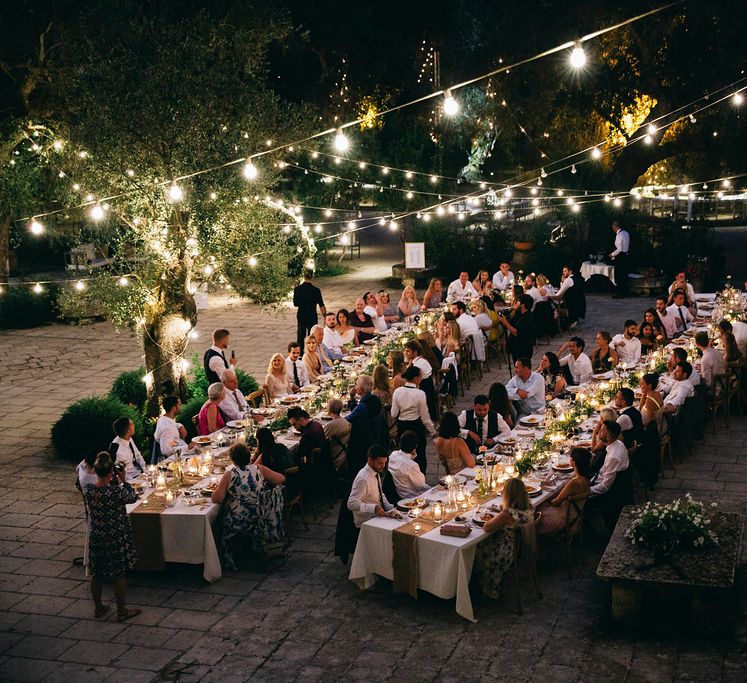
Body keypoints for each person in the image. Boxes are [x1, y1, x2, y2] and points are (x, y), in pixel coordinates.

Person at [82, 452, 140, 622]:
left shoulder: (89, 490)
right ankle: (121, 611)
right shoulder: (116, 492)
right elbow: (132, 497)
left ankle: (98, 607)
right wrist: (124, 480)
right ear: (111, 473)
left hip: (98, 536)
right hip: (116, 536)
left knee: (97, 573)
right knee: (119, 574)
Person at [211, 442, 286, 570]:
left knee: (216, 522)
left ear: (233, 460)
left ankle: (226, 557)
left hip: (240, 520)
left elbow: (216, 498)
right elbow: (281, 479)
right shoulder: (259, 469)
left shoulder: (230, 474)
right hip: (262, 515)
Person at [474, 478, 535, 598]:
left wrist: (500, 514)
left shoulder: (507, 514)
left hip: (508, 553)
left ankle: (487, 587)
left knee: (477, 546)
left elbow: (487, 527)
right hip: (522, 547)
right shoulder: (529, 507)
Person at [390, 366, 436, 473]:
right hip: (416, 427)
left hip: (402, 427)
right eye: (420, 376)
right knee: (419, 456)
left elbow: (393, 414)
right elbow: (425, 418)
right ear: (416, 378)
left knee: (403, 455)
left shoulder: (397, 391)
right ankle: (420, 478)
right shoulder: (420, 394)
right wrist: (433, 432)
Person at [538, 448, 591, 536]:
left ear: (574, 462)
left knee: (534, 513)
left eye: (571, 458)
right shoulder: (586, 478)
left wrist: (546, 500)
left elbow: (555, 502)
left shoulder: (574, 482)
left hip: (566, 519)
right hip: (575, 515)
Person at [347, 445, 395, 527]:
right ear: (370, 460)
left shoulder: (375, 471)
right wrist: (374, 508)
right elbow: (351, 504)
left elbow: (380, 494)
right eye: (380, 463)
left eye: (385, 463)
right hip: (368, 522)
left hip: (379, 516)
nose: (383, 466)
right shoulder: (364, 479)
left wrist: (390, 508)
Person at [345, 375, 384, 473]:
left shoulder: (363, 406)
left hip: (362, 442)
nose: (355, 386)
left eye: (356, 384)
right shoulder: (374, 399)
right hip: (375, 436)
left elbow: (347, 420)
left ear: (361, 389)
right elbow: (357, 413)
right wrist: (352, 398)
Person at [590, 421, 629, 496]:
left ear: (608, 437)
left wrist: (587, 491)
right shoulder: (618, 443)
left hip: (602, 489)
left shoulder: (613, 457)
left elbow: (605, 487)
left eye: (601, 431)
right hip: (598, 477)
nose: (599, 431)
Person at [388, 431, 429, 499]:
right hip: (413, 497)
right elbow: (421, 486)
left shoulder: (393, 455)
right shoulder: (412, 466)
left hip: (398, 493)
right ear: (415, 447)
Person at [293, 270, 326, 352]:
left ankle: (299, 354)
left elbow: (295, 304)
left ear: (303, 276)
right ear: (312, 277)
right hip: (312, 315)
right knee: (312, 335)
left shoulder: (297, 289)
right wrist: (325, 316)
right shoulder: (316, 290)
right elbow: (321, 304)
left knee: (300, 335)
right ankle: (311, 351)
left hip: (301, 315)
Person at [496, 293, 534, 363]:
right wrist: (512, 310)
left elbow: (516, 333)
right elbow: (512, 322)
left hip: (523, 348)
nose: (516, 303)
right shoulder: (519, 313)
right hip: (516, 346)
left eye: (518, 302)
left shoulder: (527, 318)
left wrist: (505, 322)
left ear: (523, 304)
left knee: (522, 368)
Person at [403, 339, 437, 418]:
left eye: (408, 351)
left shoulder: (417, 366)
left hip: (423, 390)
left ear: (415, 352)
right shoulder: (422, 360)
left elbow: (411, 381)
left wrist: (407, 368)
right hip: (429, 387)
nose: (405, 353)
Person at [324, 398, 351, 471]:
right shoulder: (345, 421)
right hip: (343, 454)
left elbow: (321, 441)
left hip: (333, 457)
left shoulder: (331, 426)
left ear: (329, 410)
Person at [609, 221, 630, 298]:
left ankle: (619, 293)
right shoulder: (626, 233)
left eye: (613, 228)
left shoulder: (619, 235)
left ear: (615, 227)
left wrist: (612, 254)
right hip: (626, 255)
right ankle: (624, 291)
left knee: (619, 274)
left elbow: (619, 249)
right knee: (624, 274)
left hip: (620, 256)